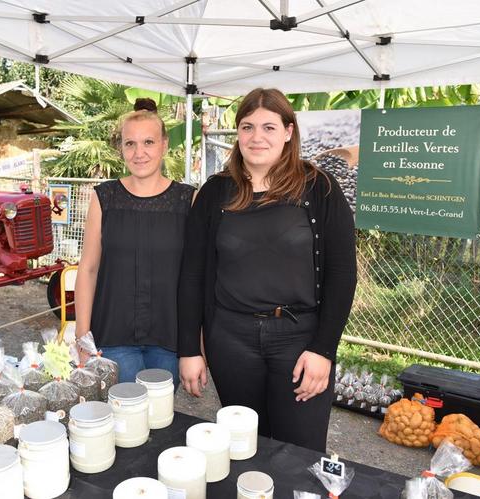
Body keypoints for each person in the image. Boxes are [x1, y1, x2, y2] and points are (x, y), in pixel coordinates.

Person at [177, 88, 357, 451]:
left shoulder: (319, 188)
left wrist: (324, 349)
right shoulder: (215, 193)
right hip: (230, 339)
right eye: (247, 127)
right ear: (238, 134)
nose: (257, 137)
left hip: (299, 341)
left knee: (300, 454)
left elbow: (342, 273)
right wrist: (189, 349)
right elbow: (192, 275)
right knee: (245, 450)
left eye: (269, 127)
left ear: (288, 132)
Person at [75, 99, 195, 386]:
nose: (139, 152)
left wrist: (196, 345)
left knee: (159, 420)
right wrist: (82, 336)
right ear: (121, 148)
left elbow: (196, 278)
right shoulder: (104, 198)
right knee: (125, 420)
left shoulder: (188, 200)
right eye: (130, 144)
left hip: (170, 338)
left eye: (149, 142)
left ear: (165, 145)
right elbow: (88, 269)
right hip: (114, 337)